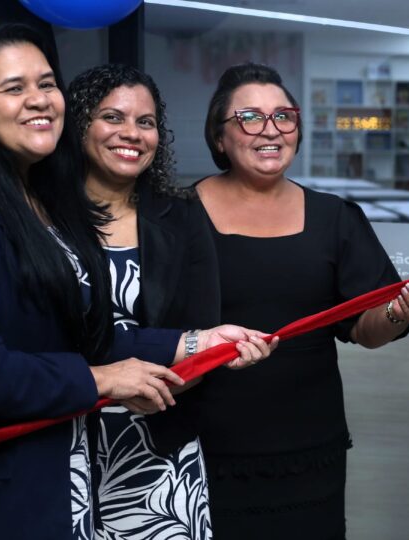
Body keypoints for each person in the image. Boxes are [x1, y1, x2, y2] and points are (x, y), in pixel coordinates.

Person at [0, 24, 275, 540]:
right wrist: (102, 379)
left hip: (67, 481)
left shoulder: (32, 204)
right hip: (14, 487)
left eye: (46, 84)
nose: (37, 100)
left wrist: (195, 341)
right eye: (13, 87)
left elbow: (73, 335)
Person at [192, 62, 409, 538]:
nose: (271, 130)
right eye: (250, 117)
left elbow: (366, 328)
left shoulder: (335, 218)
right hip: (203, 444)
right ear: (219, 136)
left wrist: (397, 312)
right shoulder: (177, 216)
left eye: (284, 116)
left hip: (307, 443)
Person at [68, 63, 233, 540]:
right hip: (59, 437)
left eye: (146, 122)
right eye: (112, 117)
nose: (132, 134)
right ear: (79, 124)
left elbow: (202, 333)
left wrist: (178, 376)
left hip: (157, 449)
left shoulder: (182, 215)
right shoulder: (41, 213)